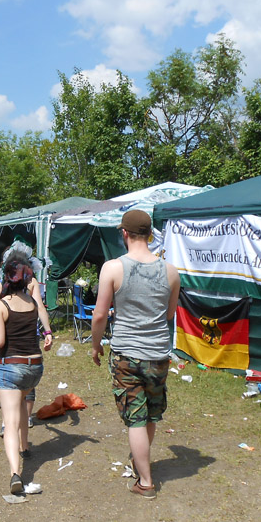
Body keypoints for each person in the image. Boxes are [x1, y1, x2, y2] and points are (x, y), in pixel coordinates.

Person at [91, 210, 180, 499]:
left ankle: (146, 481)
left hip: (127, 355)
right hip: (158, 354)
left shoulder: (113, 268)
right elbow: (169, 314)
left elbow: (100, 314)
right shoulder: (171, 271)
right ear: (150, 234)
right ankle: (140, 463)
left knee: (136, 418)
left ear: (124, 233)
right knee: (150, 414)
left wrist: (95, 345)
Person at [0, 253, 53, 495]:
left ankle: (15, 473)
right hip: (35, 367)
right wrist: (48, 332)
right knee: (21, 403)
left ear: (6, 278)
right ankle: (25, 446)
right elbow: (40, 319)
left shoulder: (2, 305)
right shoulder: (32, 303)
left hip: (11, 367)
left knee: (9, 422)